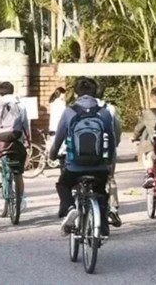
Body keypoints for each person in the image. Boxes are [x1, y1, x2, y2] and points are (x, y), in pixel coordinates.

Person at [50, 77, 116, 237]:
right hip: (99, 167)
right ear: (95, 93)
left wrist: (52, 155)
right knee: (101, 191)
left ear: (76, 94)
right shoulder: (104, 113)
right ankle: (102, 227)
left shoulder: (69, 112)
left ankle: (70, 208)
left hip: (74, 167)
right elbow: (112, 142)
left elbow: (58, 139)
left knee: (63, 185)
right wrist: (109, 163)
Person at [0, 82, 31, 195]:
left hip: (0, 141)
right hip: (16, 140)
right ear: (12, 91)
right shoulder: (20, 106)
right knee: (18, 173)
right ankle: (20, 199)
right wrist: (28, 140)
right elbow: (26, 125)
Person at [97, 86, 123, 227]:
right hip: (107, 152)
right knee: (110, 179)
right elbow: (116, 130)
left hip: (84, 155)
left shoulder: (76, 109)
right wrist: (115, 144)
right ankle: (113, 209)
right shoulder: (109, 109)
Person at [47, 87, 67, 153]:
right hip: (59, 128)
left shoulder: (52, 102)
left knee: (54, 147)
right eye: (64, 94)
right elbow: (64, 115)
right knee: (62, 148)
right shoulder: (61, 103)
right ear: (61, 94)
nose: (64, 96)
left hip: (52, 128)